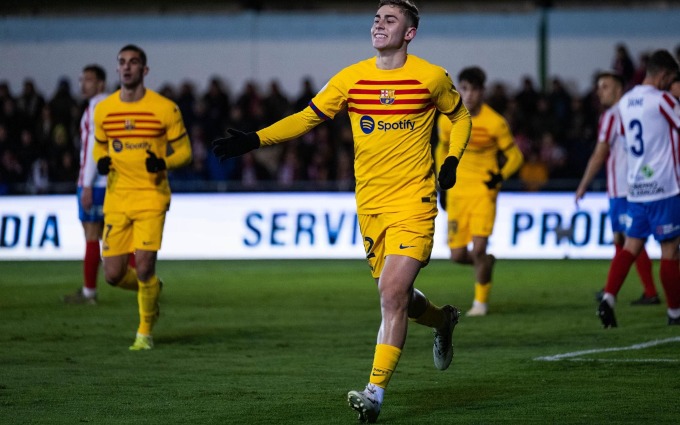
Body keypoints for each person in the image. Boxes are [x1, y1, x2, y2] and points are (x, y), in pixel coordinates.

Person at [211, 1, 470, 422]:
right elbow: (305, 119)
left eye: (390, 20)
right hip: (369, 204)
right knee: (395, 295)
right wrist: (255, 140)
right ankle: (444, 320)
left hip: (414, 201)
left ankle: (374, 393)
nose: (379, 24)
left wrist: (452, 159)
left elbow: (460, 118)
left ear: (409, 33)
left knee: (390, 295)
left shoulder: (430, 77)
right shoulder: (351, 78)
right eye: (376, 18)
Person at [93, 44, 192, 349]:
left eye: (133, 63)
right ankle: (151, 288)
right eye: (122, 62)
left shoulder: (165, 108)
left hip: (151, 197)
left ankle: (144, 333)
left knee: (145, 266)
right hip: (117, 199)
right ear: (117, 68)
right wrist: (101, 160)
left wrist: (164, 162)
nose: (127, 67)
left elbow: (186, 153)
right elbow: (100, 146)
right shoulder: (104, 109)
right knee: (112, 275)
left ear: (144, 70)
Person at [597, 49, 680, 328]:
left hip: (636, 188)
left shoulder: (626, 102)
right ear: (665, 75)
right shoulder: (663, 100)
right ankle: (675, 313)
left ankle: (609, 297)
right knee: (669, 251)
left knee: (631, 245)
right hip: (665, 187)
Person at [435, 66, 524, 317]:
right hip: (457, 194)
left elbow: (516, 157)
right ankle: (486, 263)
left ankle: (480, 303)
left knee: (478, 249)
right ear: (459, 90)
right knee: (457, 255)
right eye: (465, 88)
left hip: (484, 193)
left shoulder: (495, 122)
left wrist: (499, 177)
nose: (469, 95)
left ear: (482, 92)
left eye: (474, 89)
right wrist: (441, 182)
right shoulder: (447, 120)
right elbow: (441, 149)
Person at [575, 71, 660, 306]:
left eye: (605, 86)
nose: (600, 91)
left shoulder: (613, 115)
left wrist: (583, 185)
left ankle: (649, 291)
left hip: (623, 188)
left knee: (632, 238)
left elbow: (599, 153)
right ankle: (613, 288)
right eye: (599, 86)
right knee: (622, 239)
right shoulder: (636, 111)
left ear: (619, 88)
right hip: (634, 185)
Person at [63, 65, 109, 305]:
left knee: (92, 235)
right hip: (109, 181)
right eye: (82, 80)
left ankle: (89, 292)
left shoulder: (96, 107)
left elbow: (93, 148)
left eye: (89, 80)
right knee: (111, 235)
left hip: (94, 182)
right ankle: (144, 281)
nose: (83, 84)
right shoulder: (113, 104)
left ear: (101, 83)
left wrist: (88, 184)